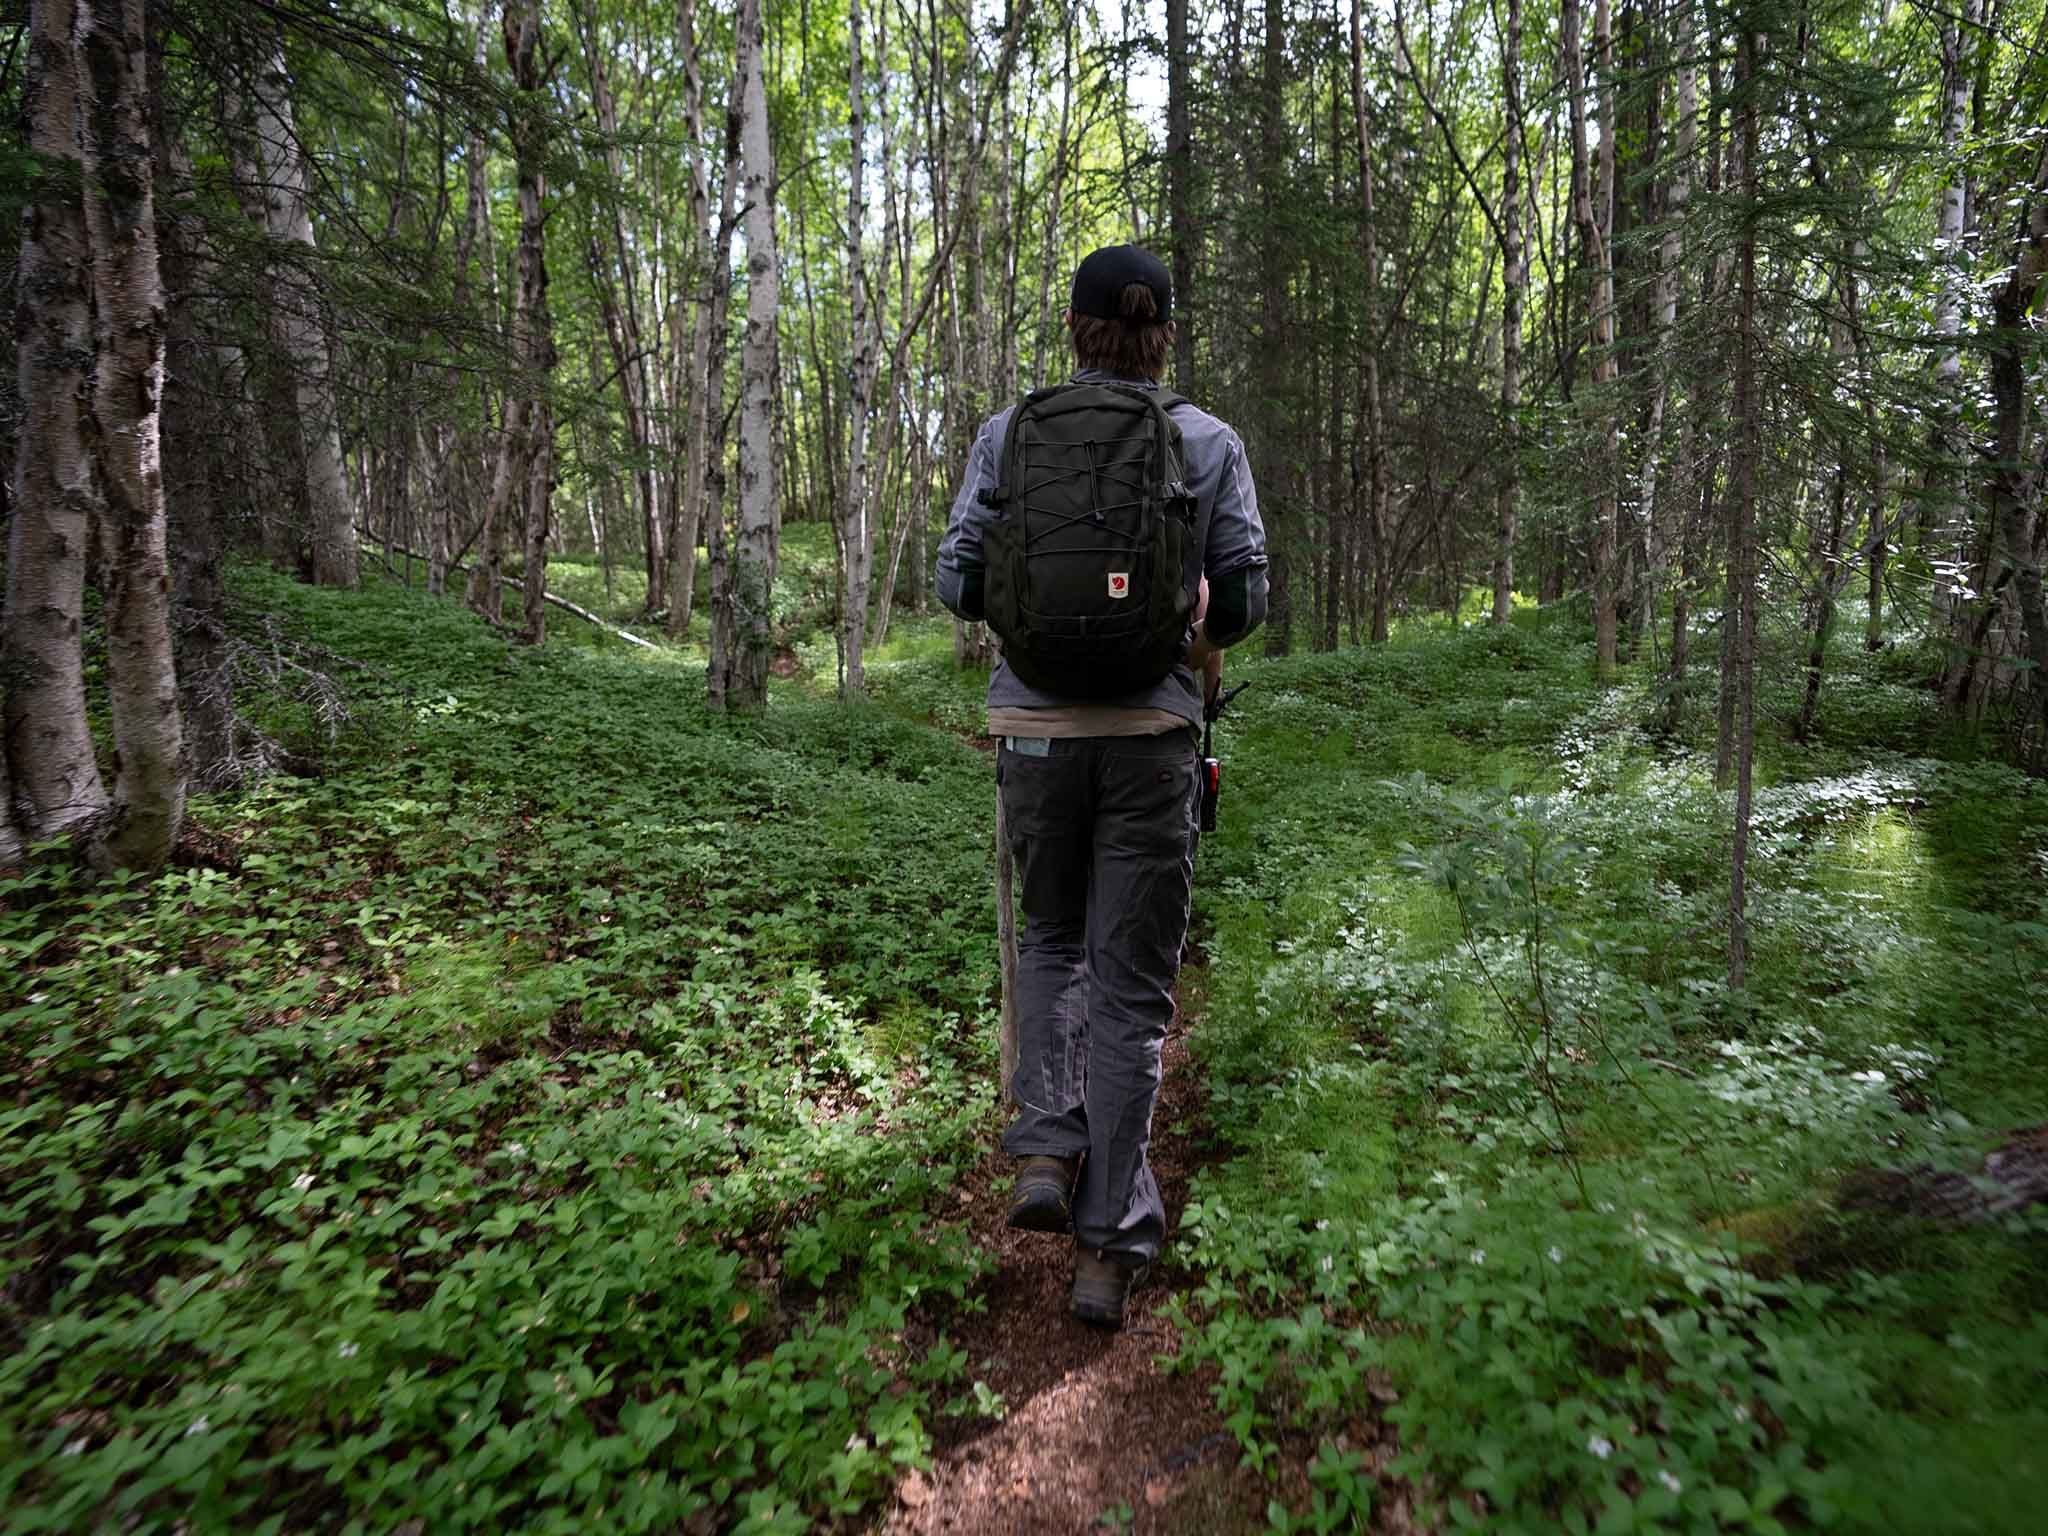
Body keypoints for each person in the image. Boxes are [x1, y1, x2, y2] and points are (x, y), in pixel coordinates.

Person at [935, 244, 1268, 1329]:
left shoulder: (1009, 433)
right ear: (1161, 331)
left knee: (1049, 939)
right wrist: (1186, 616)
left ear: (1074, 329)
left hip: (1032, 734)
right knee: (1130, 990)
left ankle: (1042, 1148)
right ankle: (1107, 1248)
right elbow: (1243, 609)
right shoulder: (1207, 441)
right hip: (1150, 734)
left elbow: (955, 584)